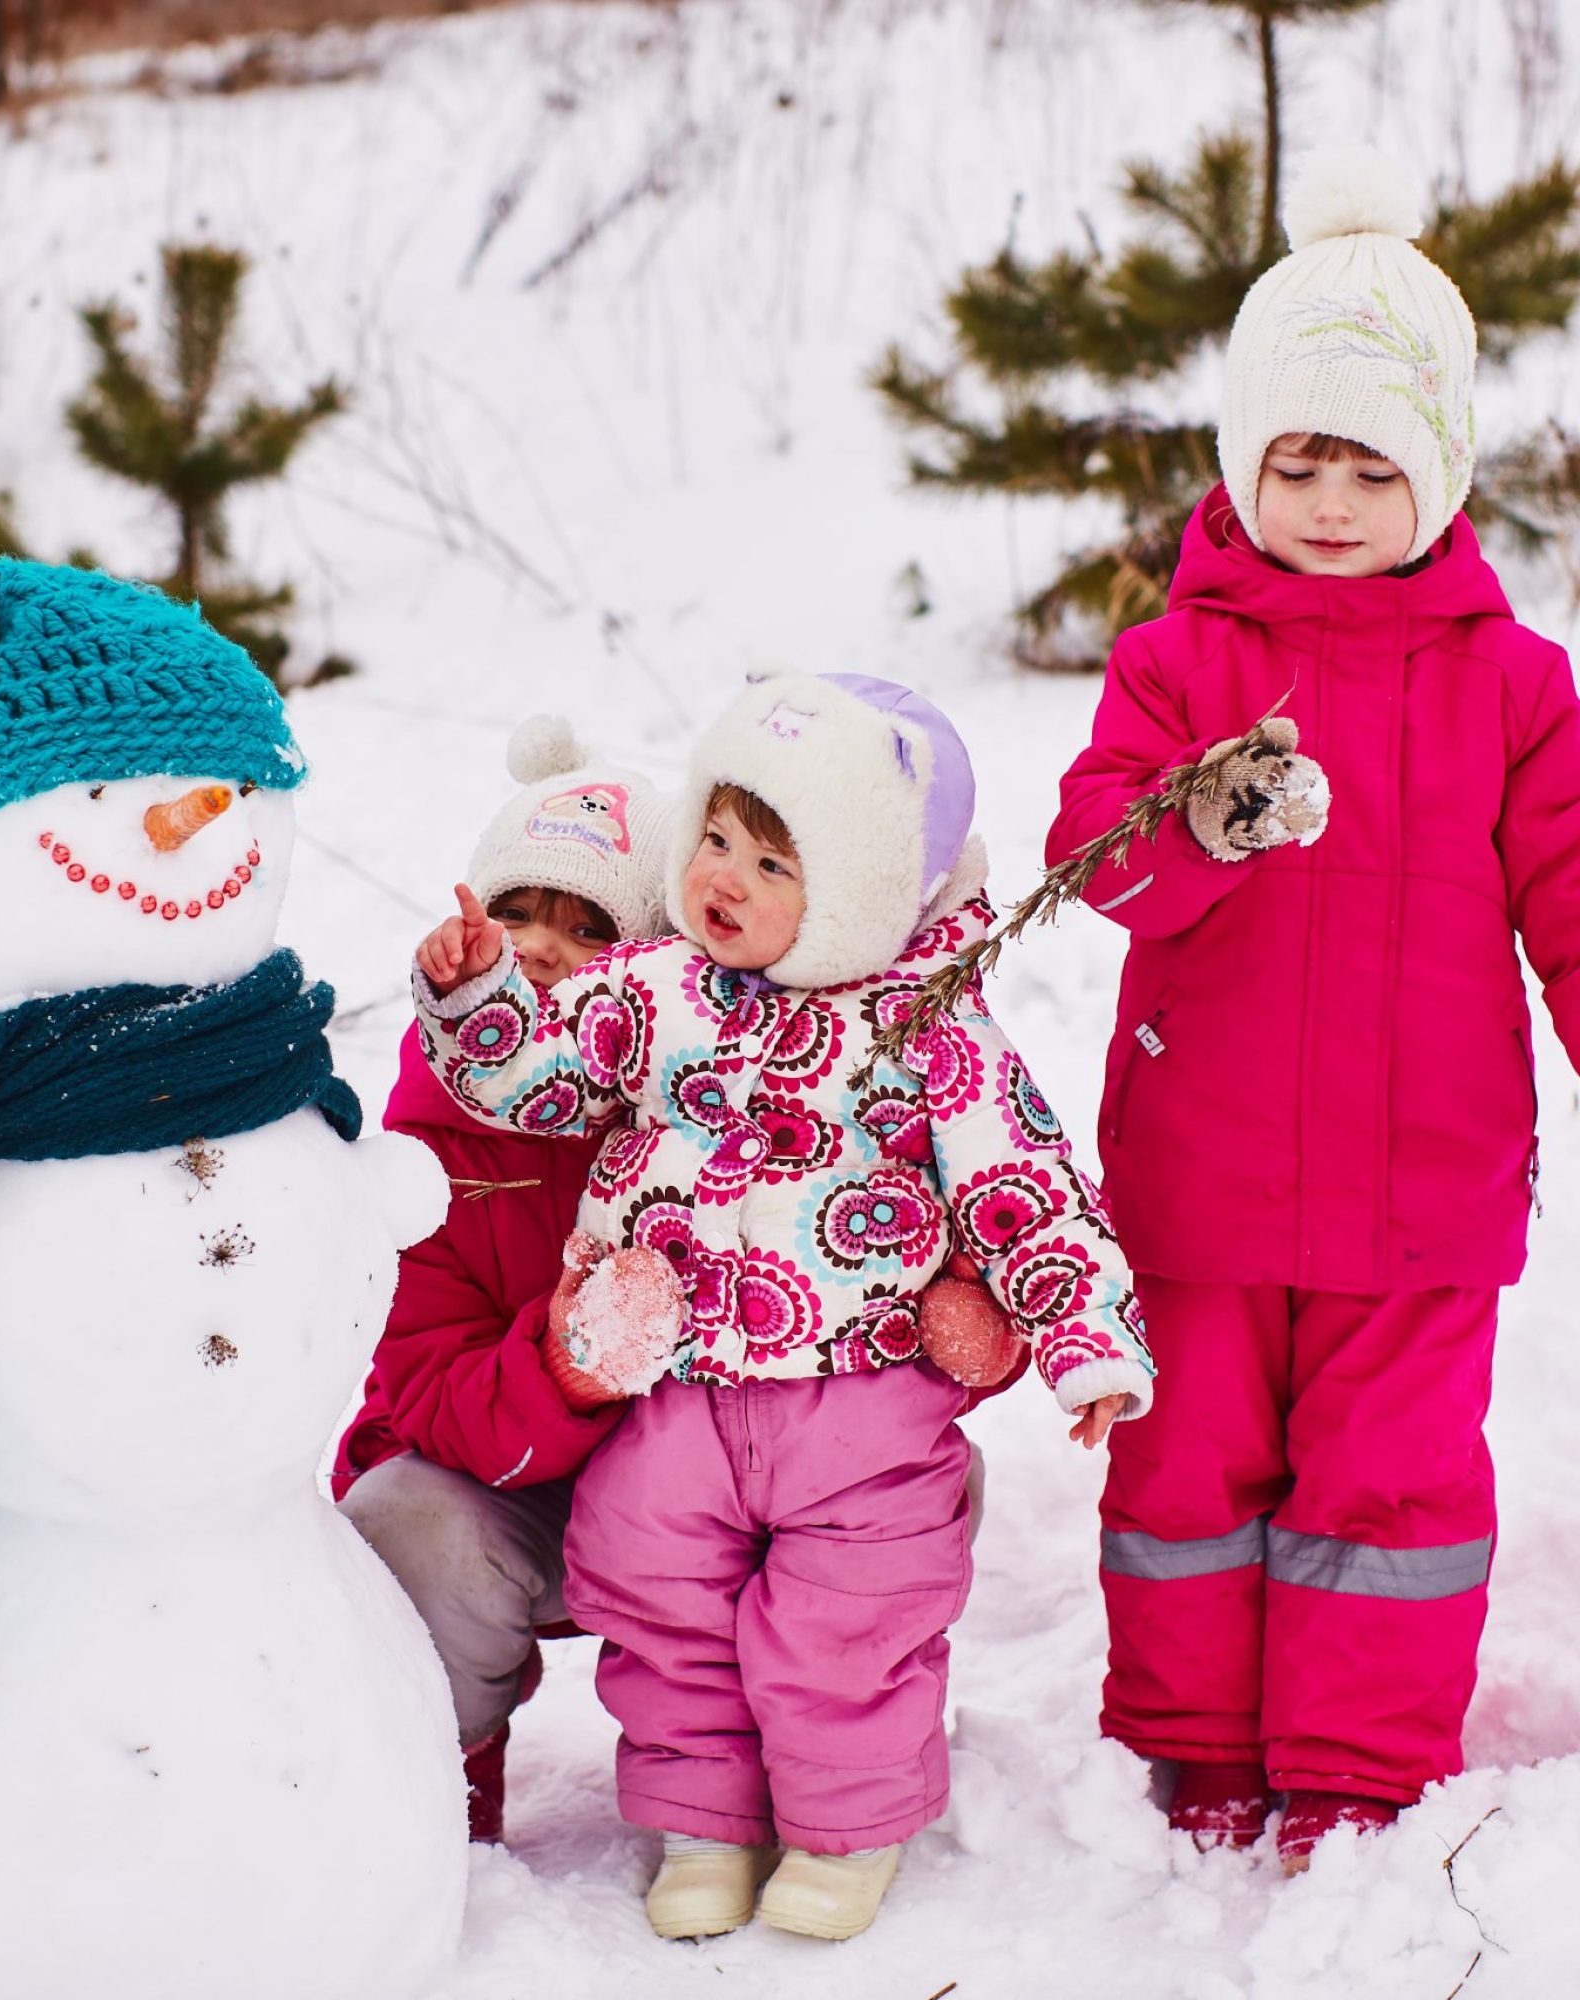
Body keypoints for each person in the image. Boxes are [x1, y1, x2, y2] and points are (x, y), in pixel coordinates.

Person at [415, 671, 1155, 1940]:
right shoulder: (652, 988)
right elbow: (531, 1081)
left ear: (860, 887)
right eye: (712, 837)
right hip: (677, 1389)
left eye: (773, 859)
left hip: (856, 1396)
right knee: (656, 1593)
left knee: (846, 1617)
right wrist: (481, 999)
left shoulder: (931, 1028)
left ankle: (847, 1825)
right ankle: (704, 1819)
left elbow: (1024, 1183)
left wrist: (1085, 1337)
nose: (724, 878)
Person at [1045, 146, 1580, 1873]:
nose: (1333, 502)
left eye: (1372, 465)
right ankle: (1196, 1746)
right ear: (1241, 468)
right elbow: (1095, 869)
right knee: (1190, 1467)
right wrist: (1192, 818)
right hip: (1202, 1175)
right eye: (1299, 463)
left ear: (1436, 479)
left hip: (1423, 1189)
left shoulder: (1516, 684)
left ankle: (1353, 1765)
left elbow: (1571, 889)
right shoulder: (1177, 664)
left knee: (1393, 1486)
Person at [333, 718, 671, 1846]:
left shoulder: (701, 1115)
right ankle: (438, 1783)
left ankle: (757, 1775)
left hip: (688, 1495)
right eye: (515, 908)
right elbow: (419, 1384)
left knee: (884, 1479)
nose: (538, 944)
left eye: (590, 926)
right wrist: (560, 1366)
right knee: (401, 1521)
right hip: (507, 1488)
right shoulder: (430, 1141)